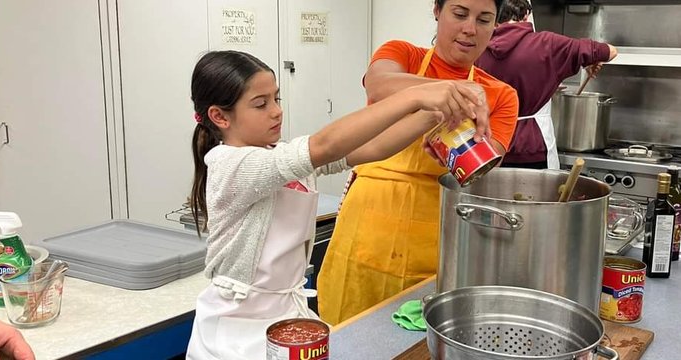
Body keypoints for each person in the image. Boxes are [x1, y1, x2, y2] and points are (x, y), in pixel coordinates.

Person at [184, 50, 483, 359]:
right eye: (261, 104)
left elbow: (373, 146)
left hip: (285, 316)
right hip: (235, 329)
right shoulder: (230, 164)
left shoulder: (277, 155)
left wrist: (436, 113)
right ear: (220, 116)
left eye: (277, 99)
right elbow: (325, 145)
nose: (276, 112)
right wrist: (417, 95)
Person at [318, 0, 519, 325]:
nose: (470, 28)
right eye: (459, 14)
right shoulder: (403, 55)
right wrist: (452, 92)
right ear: (437, 10)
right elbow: (379, 84)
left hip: (436, 243)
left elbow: (483, 169)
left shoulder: (501, 95)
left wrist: (456, 139)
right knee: (350, 336)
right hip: (365, 234)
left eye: (484, 19)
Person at [475, 0, 618, 169]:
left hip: (490, 145)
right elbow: (609, 51)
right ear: (526, 16)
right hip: (534, 145)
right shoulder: (548, 44)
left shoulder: (477, 46)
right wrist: (590, 61)